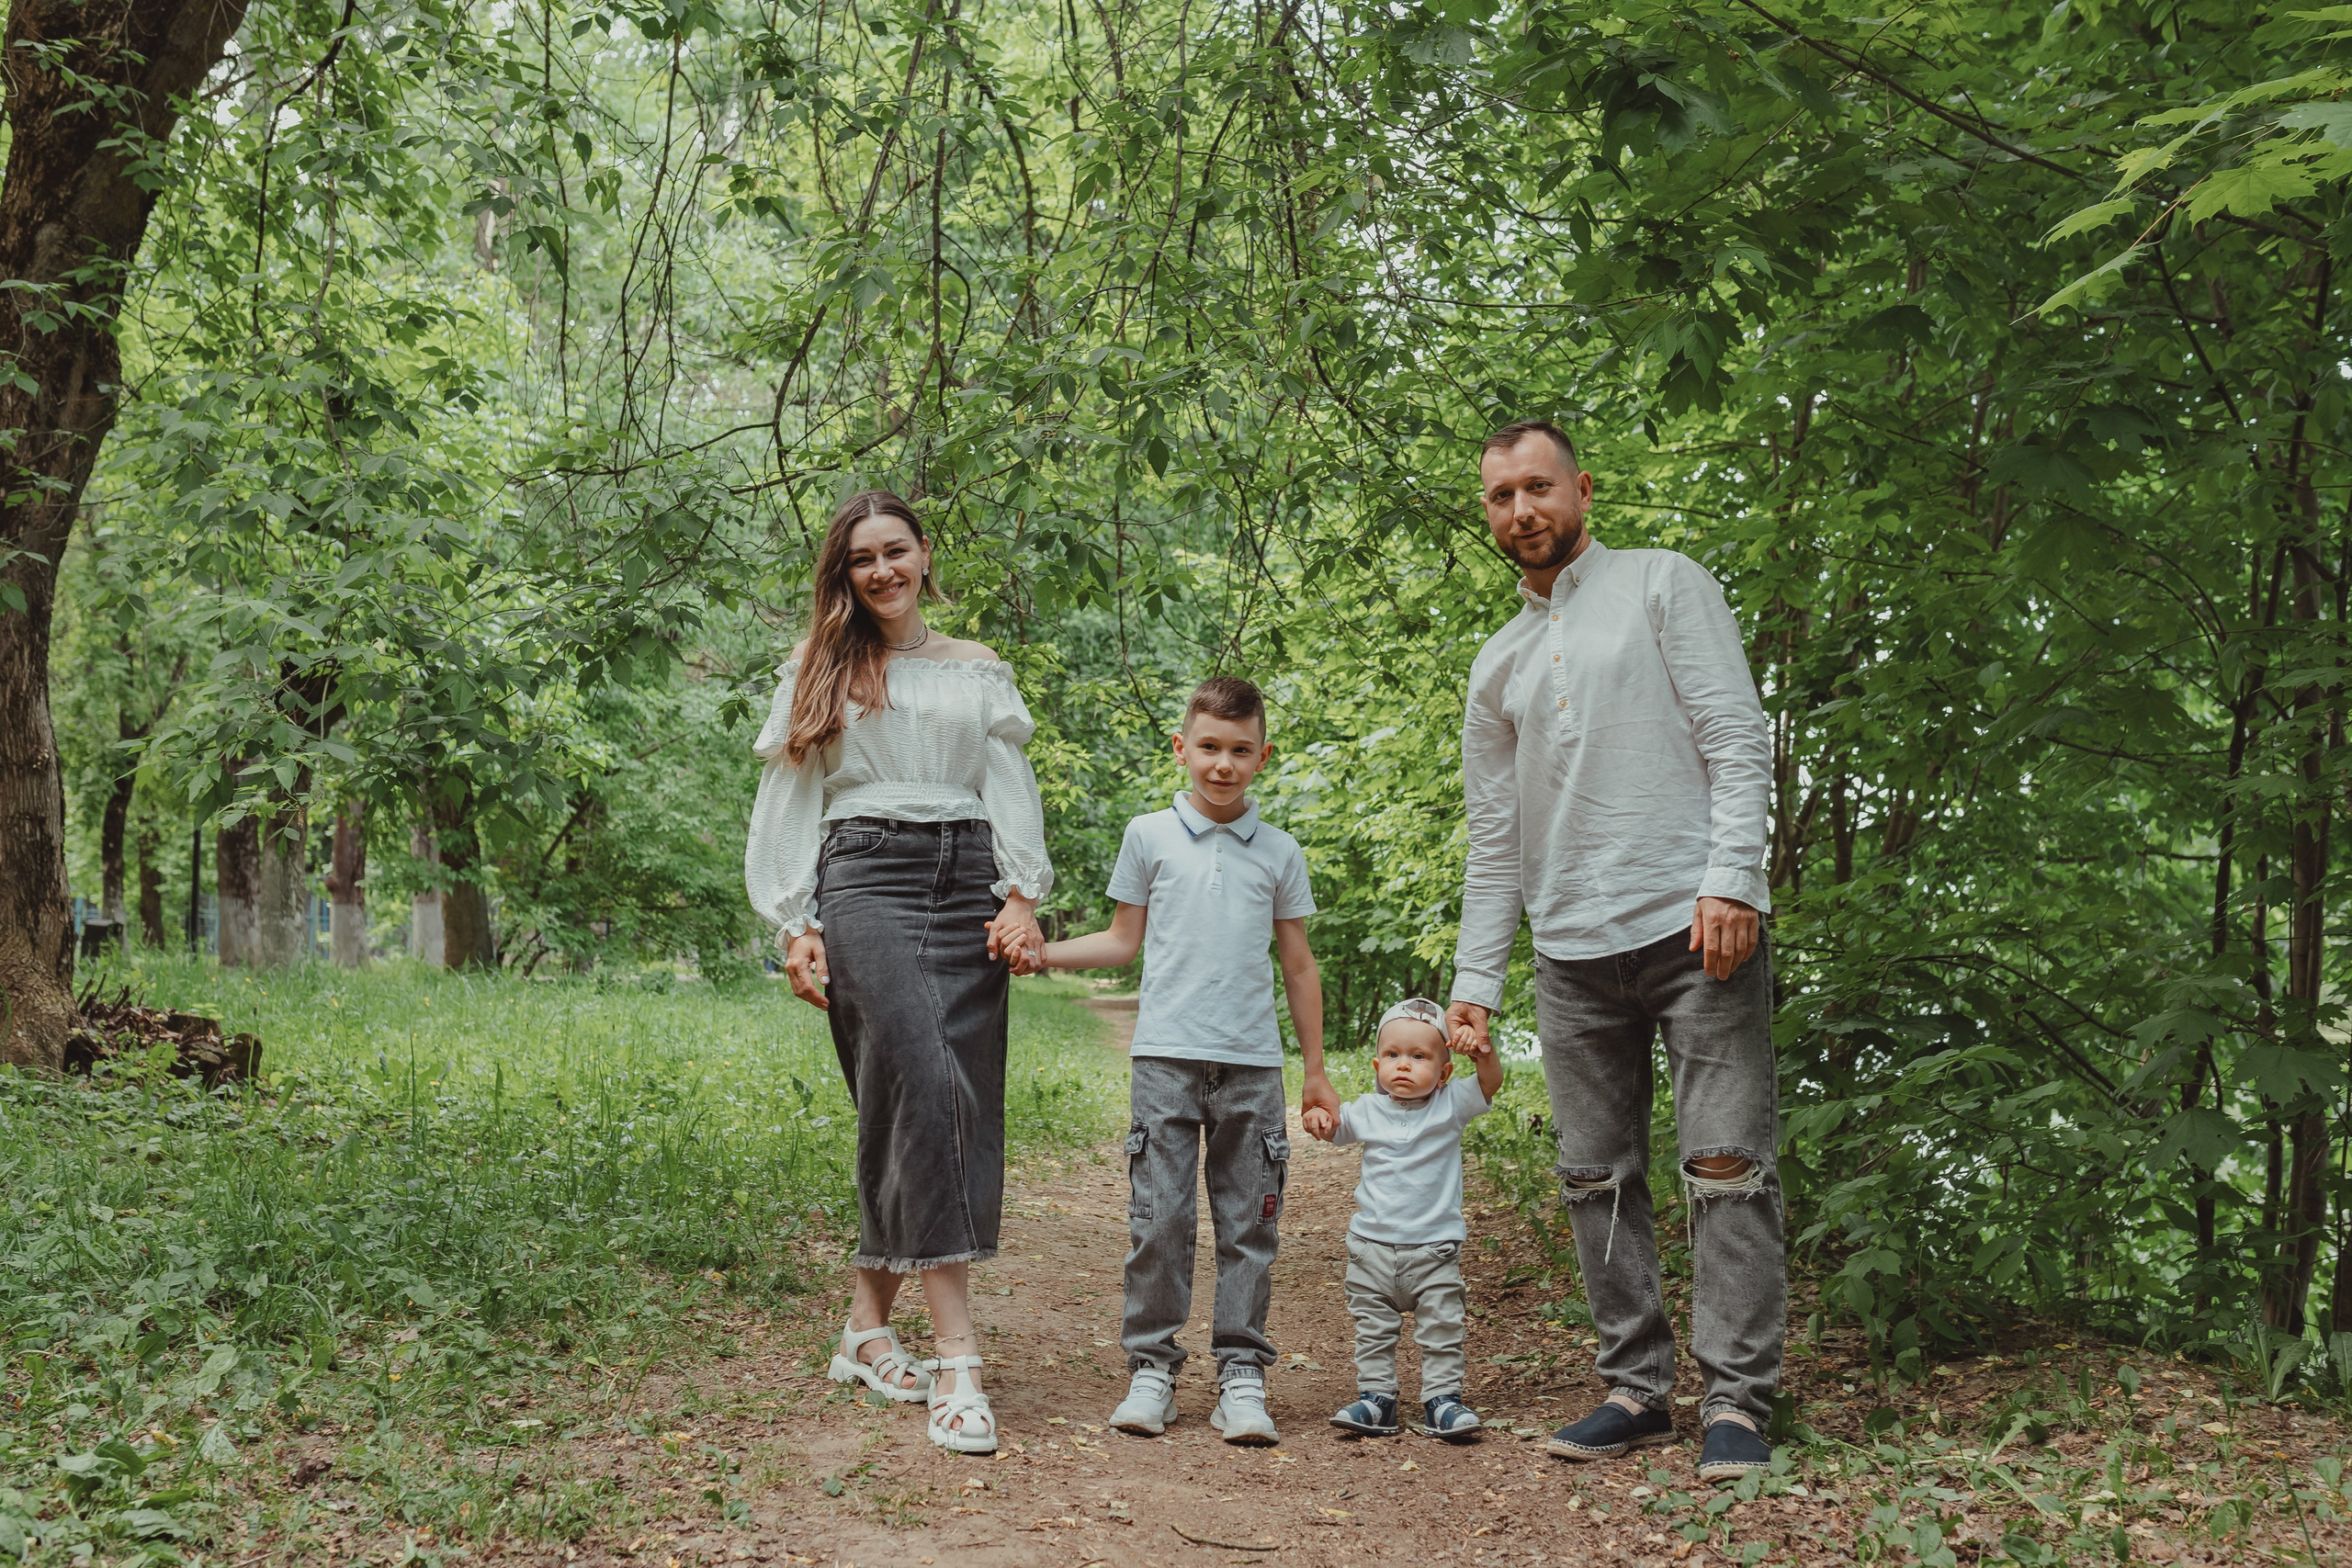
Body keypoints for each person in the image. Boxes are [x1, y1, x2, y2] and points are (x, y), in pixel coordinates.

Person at [1442, 420, 1781, 1483]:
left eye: (1536, 488)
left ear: (1581, 488)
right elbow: (1494, 838)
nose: (1520, 512)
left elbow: (1734, 734)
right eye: (1500, 497)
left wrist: (1734, 877)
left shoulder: (1660, 584)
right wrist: (1473, 985)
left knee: (1725, 1168)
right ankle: (1635, 1387)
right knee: (1595, 1178)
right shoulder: (1494, 660)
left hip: (1692, 927)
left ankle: (1737, 1402)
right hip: (1570, 951)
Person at [744, 488, 1052, 1457]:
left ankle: (864, 1331)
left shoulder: (976, 668)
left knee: (928, 1096)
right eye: (860, 560)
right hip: (864, 873)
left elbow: (1007, 781)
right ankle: (958, 1360)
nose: (880, 571)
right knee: (923, 1083)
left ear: (924, 554)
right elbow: (788, 792)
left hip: (969, 877)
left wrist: (1021, 893)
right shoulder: (819, 666)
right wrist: (795, 919)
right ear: (844, 574)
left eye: (894, 552)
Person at [1026, 676, 1334, 1445]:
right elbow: (1121, 941)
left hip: (1252, 1067)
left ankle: (1241, 1373)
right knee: (1158, 1219)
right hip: (1163, 1060)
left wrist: (1317, 1068)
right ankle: (1152, 1369)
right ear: (1181, 748)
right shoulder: (1148, 835)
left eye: (1239, 750)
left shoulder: (1281, 851)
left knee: (1248, 1223)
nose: (1222, 764)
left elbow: (1299, 965)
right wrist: (1039, 954)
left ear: (1263, 756)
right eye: (1208, 747)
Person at [1306, 998, 1502, 1442]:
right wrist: (1318, 1116)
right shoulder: (1367, 1110)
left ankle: (1442, 1400)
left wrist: (1482, 1052)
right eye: (1393, 1056)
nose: (1403, 1066)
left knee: (1442, 1328)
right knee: (1373, 1329)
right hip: (1371, 1247)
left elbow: (1491, 1083)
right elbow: (1333, 1127)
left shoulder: (1451, 1104)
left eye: (1419, 1057)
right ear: (1377, 1064)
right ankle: (1378, 1400)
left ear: (1445, 1072)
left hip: (1434, 1248)